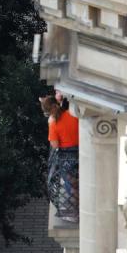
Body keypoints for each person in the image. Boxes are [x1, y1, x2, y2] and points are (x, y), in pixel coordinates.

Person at [41, 94, 80, 222]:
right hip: (80, 151)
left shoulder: (53, 124)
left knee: (72, 184)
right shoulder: (72, 114)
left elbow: (55, 144)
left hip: (66, 157)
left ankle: (75, 213)